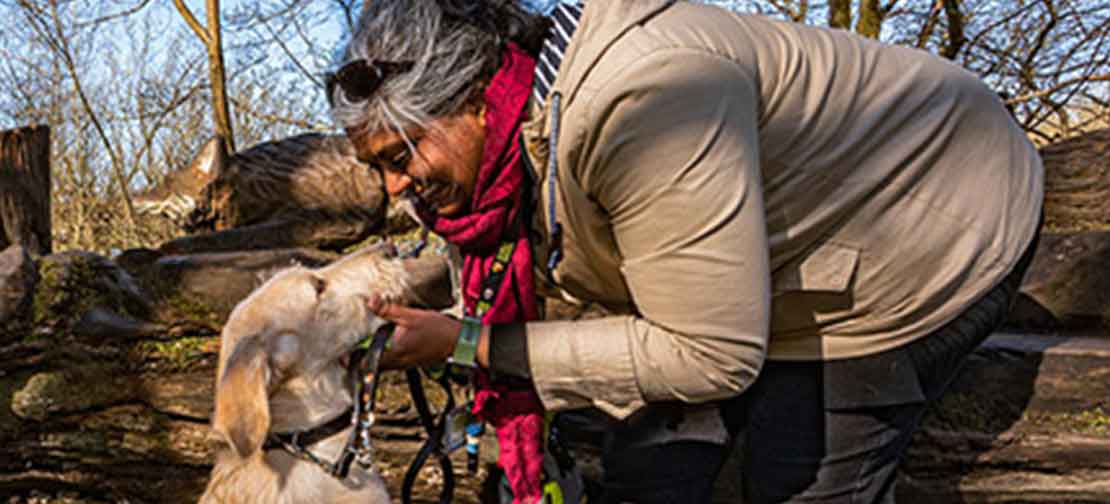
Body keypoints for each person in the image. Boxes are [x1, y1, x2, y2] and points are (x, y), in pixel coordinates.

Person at [332, 0, 1044, 502]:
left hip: (933, 217)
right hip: (771, 251)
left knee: (795, 477)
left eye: (401, 155)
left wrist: (469, 343)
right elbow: (540, 248)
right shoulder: (517, 129)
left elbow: (712, 355)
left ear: (475, 100)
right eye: (377, 167)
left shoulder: (646, 104)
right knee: (646, 469)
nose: (396, 188)